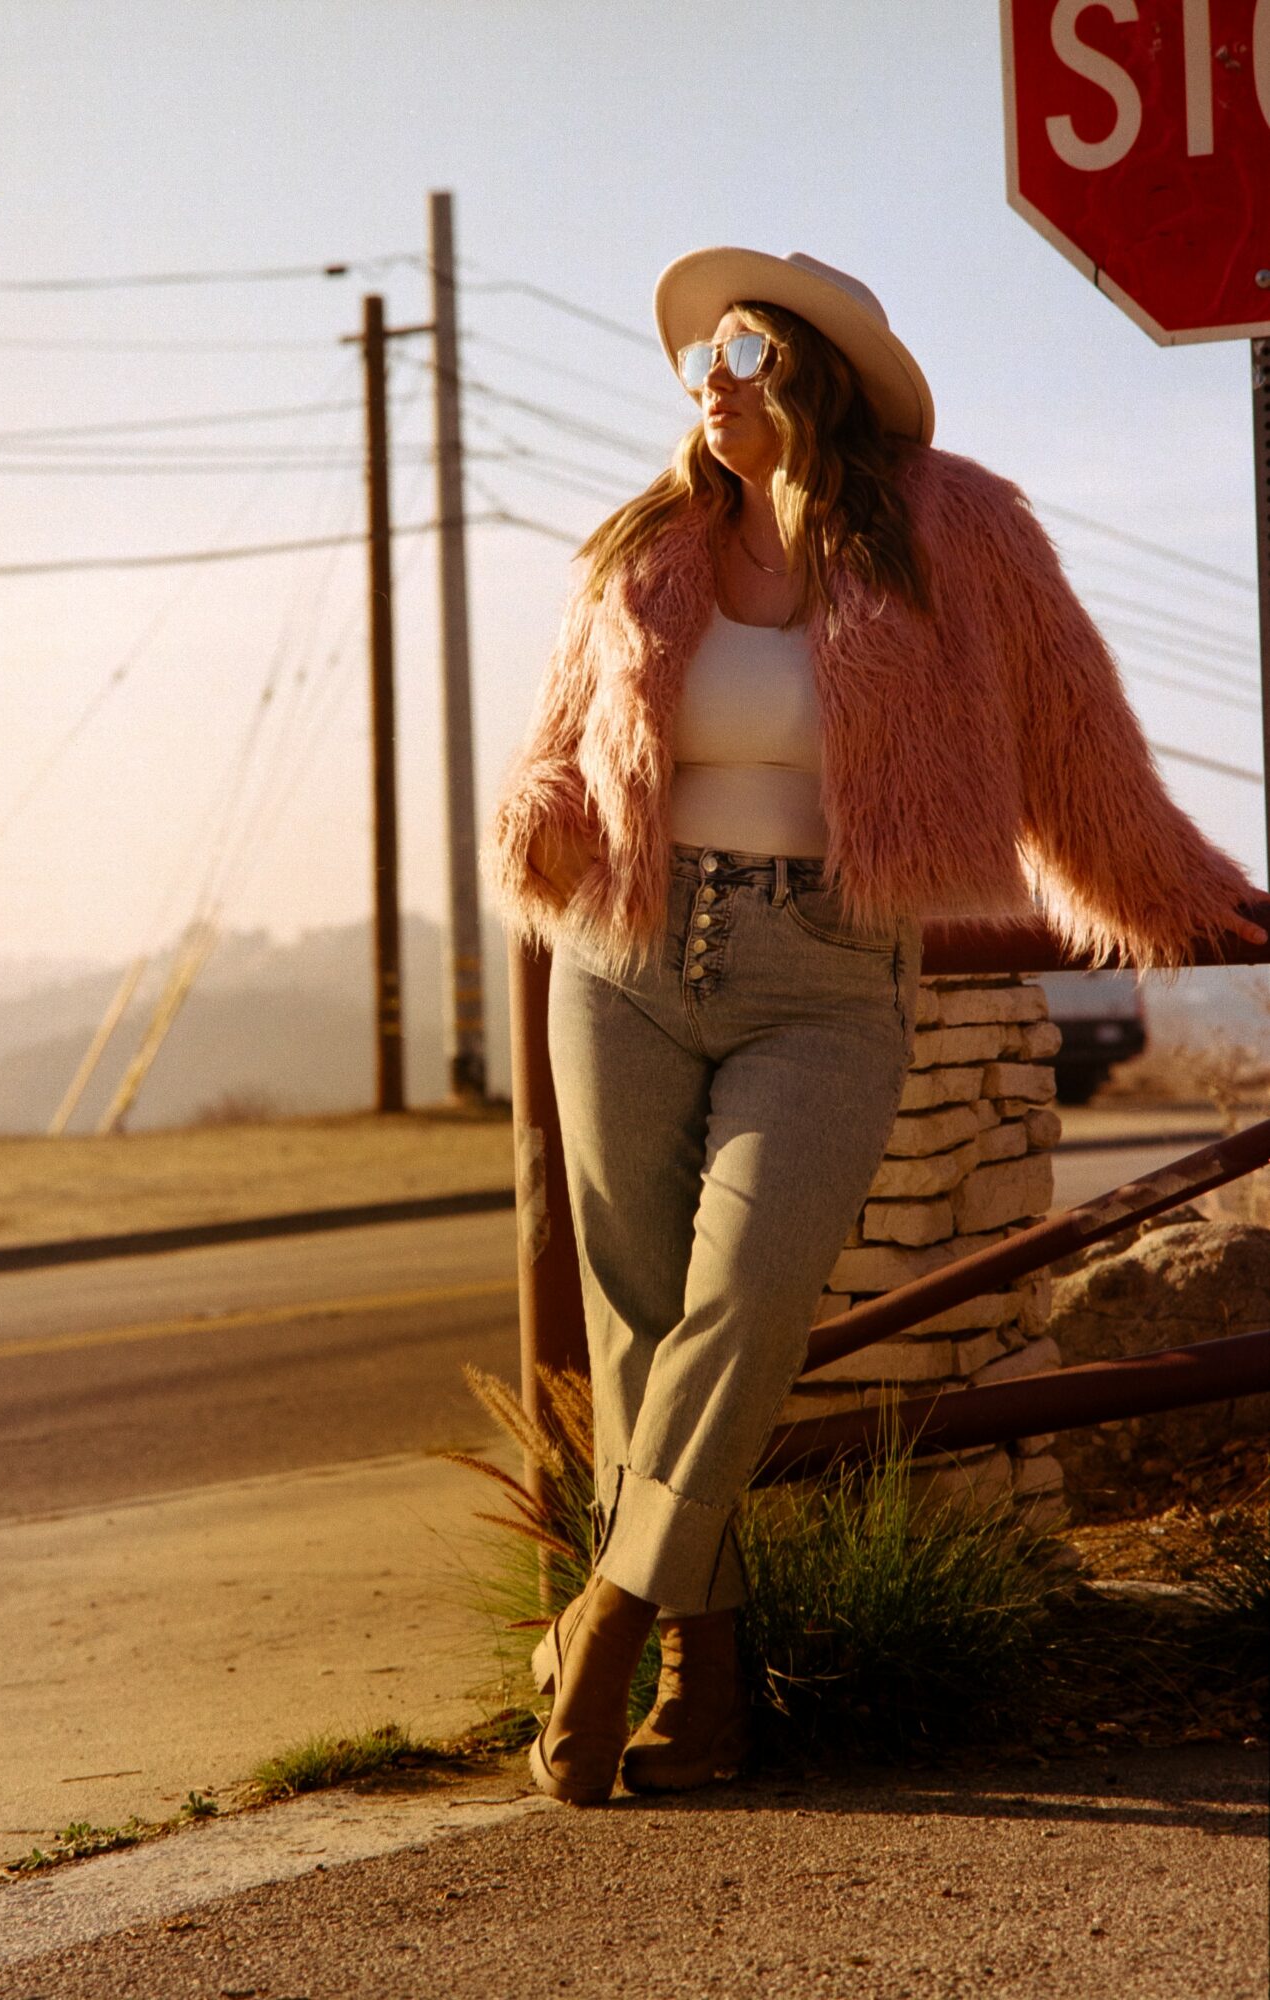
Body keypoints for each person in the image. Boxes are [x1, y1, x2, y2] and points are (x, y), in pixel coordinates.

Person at [483, 246, 1267, 1810]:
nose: (708, 382)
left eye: (740, 352)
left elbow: (1073, 737)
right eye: (695, 359)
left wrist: (1194, 894)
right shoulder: (641, 543)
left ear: (815, 370)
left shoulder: (954, 527)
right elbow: (562, 741)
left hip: (828, 971)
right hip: (624, 960)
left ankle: (607, 1613)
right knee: (641, 1322)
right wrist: (545, 814)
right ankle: (701, 1687)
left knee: (747, 1297)